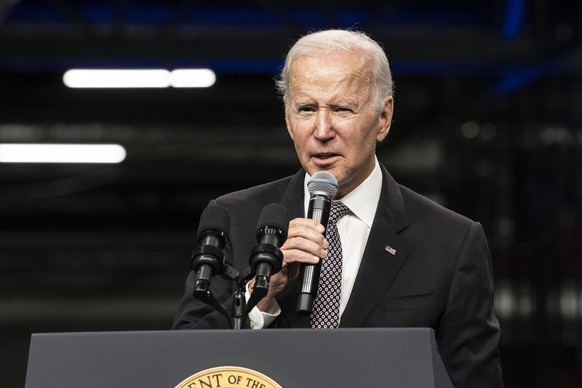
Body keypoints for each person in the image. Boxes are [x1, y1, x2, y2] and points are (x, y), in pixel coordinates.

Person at [173, 29, 503, 387]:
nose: (322, 130)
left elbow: (474, 380)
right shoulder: (234, 219)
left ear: (383, 118)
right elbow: (186, 364)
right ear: (288, 118)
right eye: (306, 109)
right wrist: (261, 296)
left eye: (342, 109)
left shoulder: (452, 241)